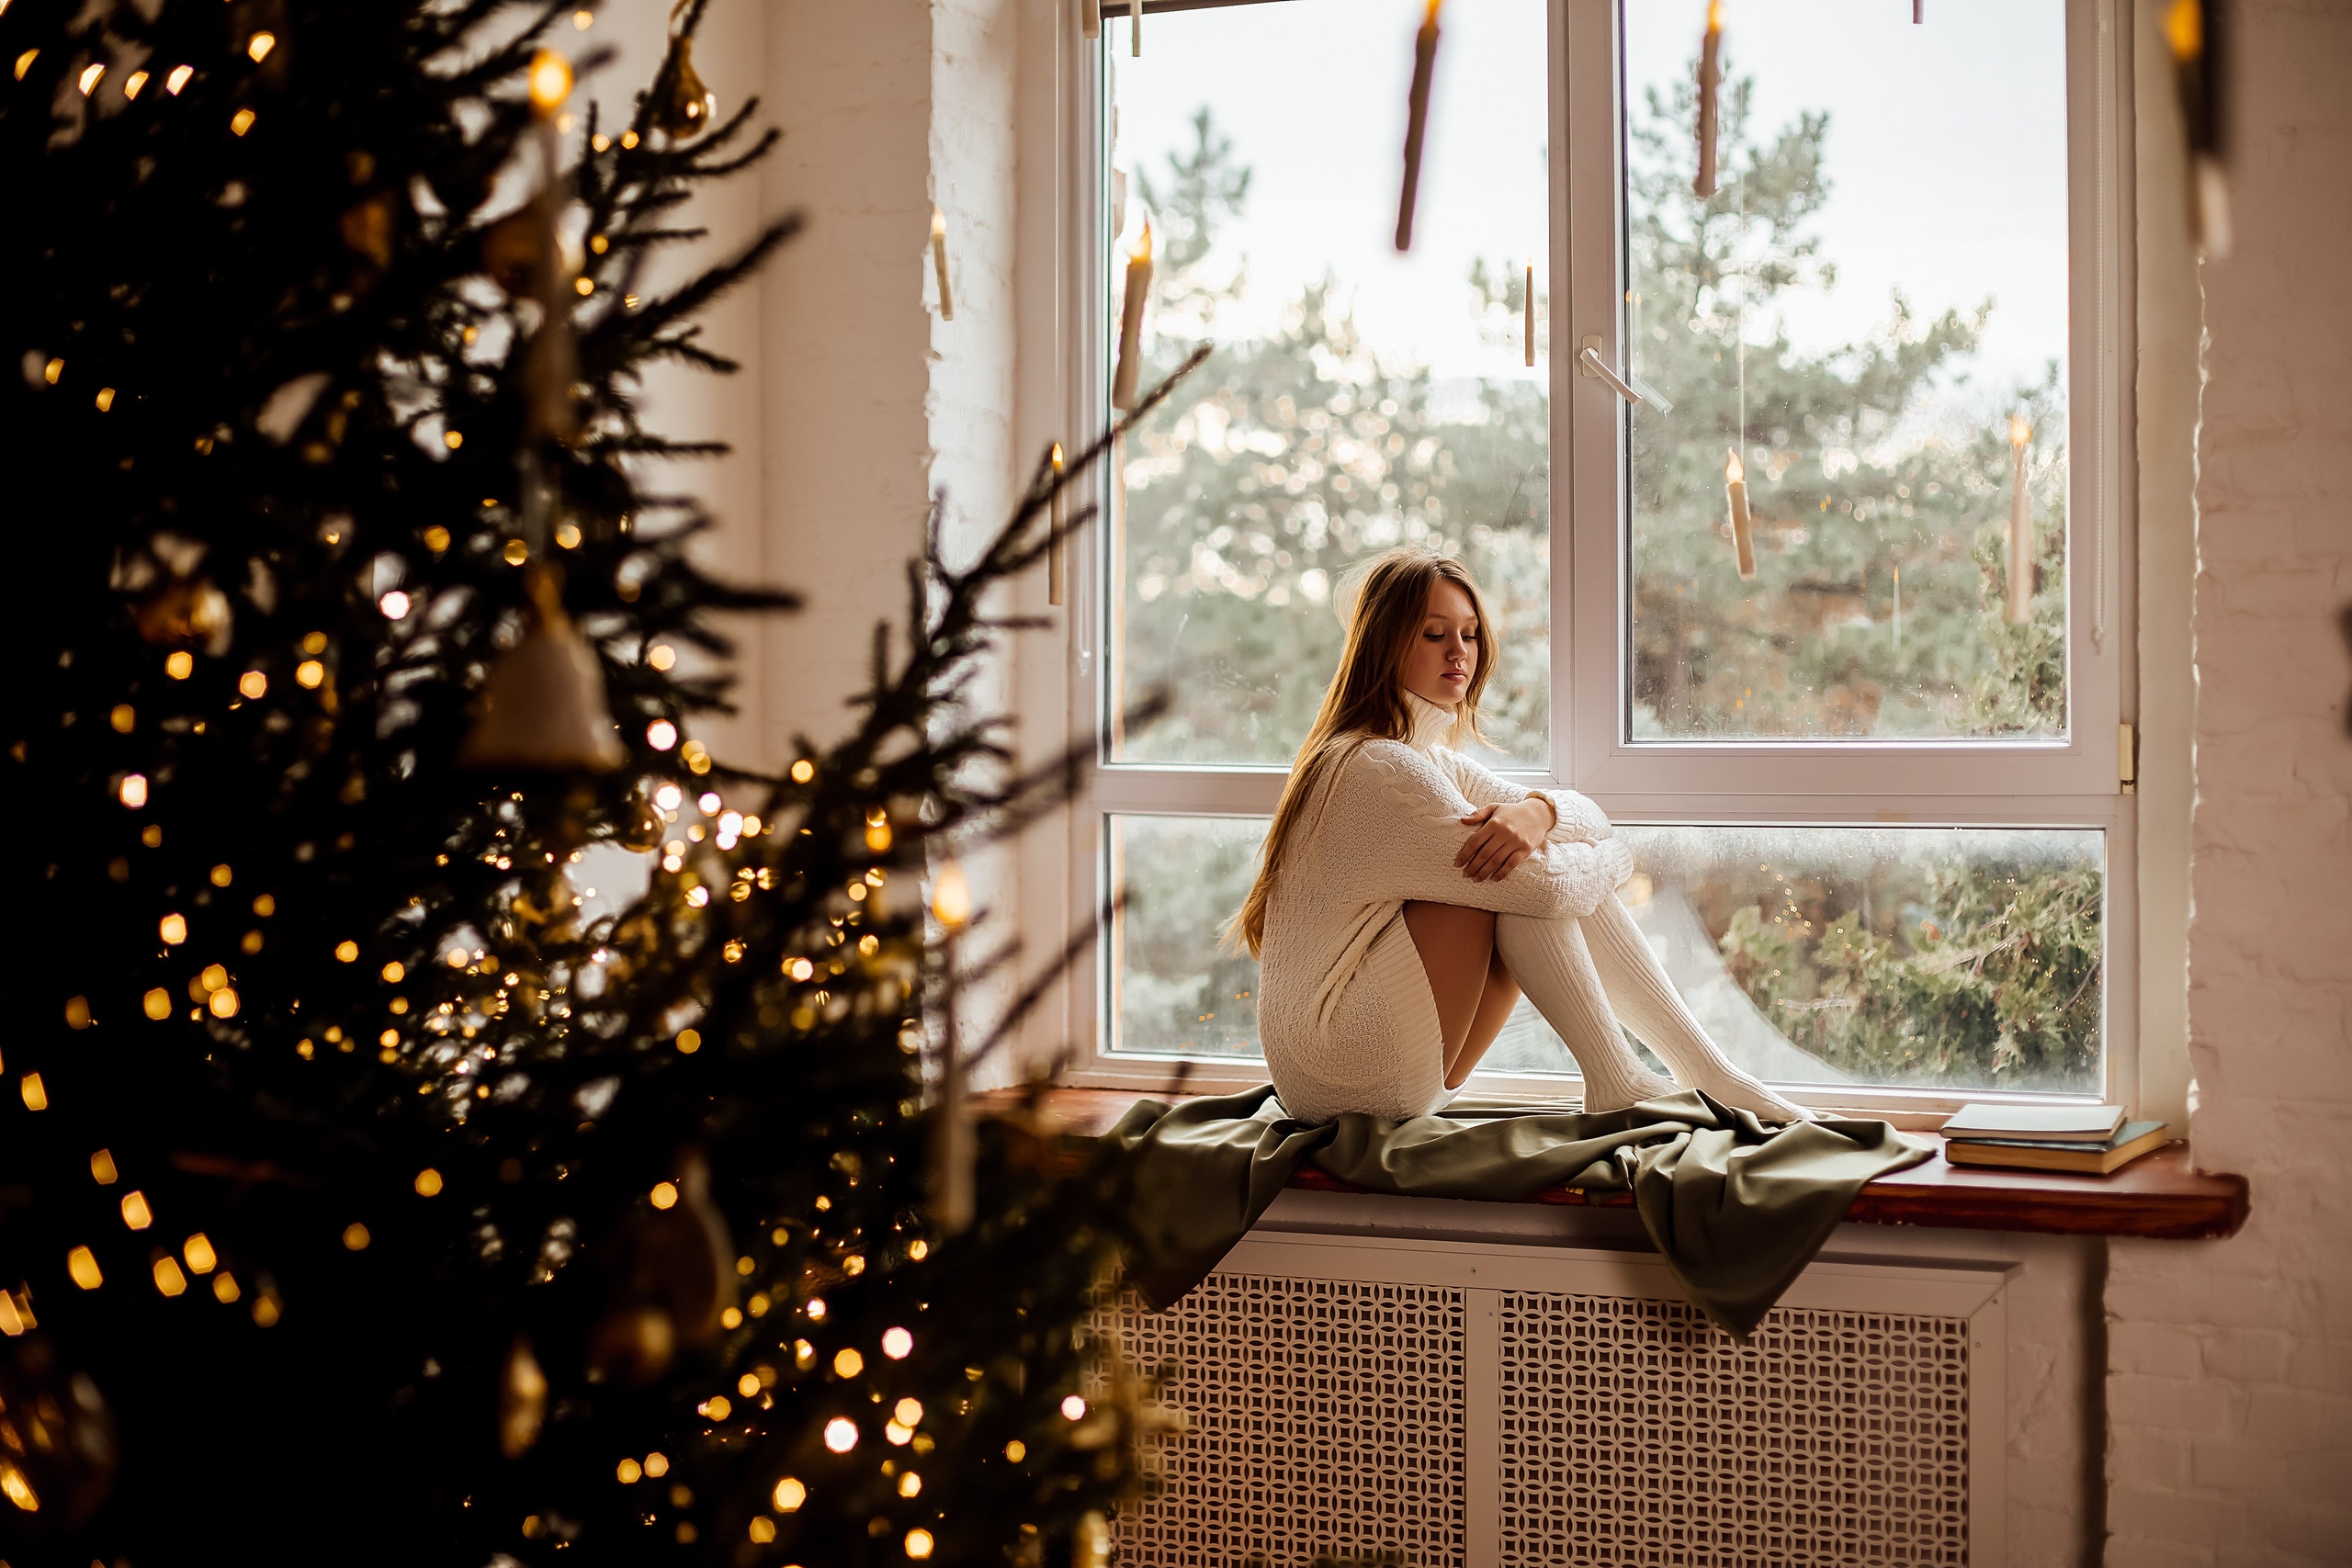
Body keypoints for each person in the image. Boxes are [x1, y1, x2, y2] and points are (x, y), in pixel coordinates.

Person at [1227, 547, 1809, 1126]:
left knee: (1515, 865)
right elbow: (1549, 891)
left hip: (1357, 1070)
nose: (1460, 653)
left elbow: (1590, 816)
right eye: (1434, 634)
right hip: (1344, 1069)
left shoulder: (1424, 759)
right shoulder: (1379, 770)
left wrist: (1541, 814)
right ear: (1383, 645)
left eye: (1471, 634)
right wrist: (1614, 860)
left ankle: (1692, 1074)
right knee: (1512, 881)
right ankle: (1634, 1079)